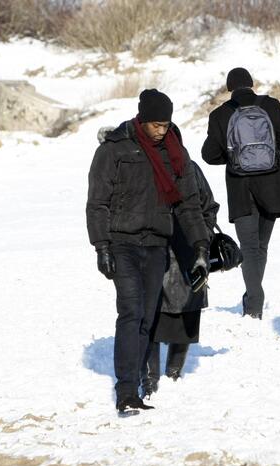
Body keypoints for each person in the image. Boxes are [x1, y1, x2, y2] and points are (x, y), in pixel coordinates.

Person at [86, 89, 210, 413]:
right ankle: (126, 390)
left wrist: (200, 245)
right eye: (156, 124)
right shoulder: (114, 149)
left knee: (147, 319)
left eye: (166, 125)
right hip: (122, 243)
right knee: (131, 313)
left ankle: (138, 384)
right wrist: (101, 247)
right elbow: (97, 202)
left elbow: (188, 205)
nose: (161, 131)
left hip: (156, 245)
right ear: (142, 119)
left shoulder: (174, 153)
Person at [201, 67, 280, 320]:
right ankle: (253, 296)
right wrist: (268, 157)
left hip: (240, 187)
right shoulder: (272, 106)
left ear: (230, 88)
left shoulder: (220, 114)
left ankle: (254, 300)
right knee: (261, 246)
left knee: (249, 246)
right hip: (272, 185)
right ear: (251, 84)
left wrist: (234, 159)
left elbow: (209, 155)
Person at [140, 160, 219, 399]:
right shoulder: (142, 167)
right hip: (156, 248)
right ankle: (150, 378)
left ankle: (171, 373)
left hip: (186, 248)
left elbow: (208, 206)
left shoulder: (188, 167)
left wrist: (201, 236)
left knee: (184, 311)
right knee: (149, 314)